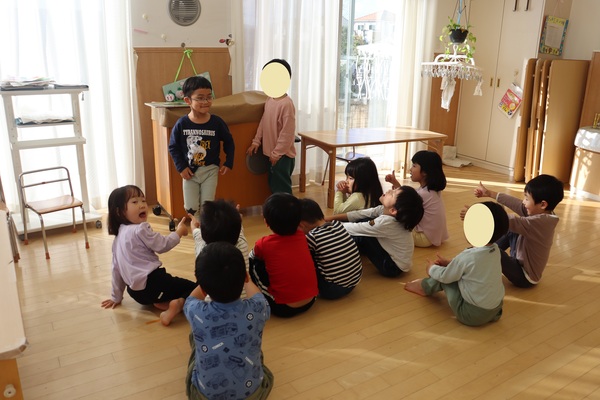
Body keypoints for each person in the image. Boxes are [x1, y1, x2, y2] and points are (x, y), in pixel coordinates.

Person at [184, 242, 274, 400]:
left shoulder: (194, 310)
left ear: (202, 285)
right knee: (257, 353)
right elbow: (257, 295)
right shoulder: (259, 307)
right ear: (245, 277)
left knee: (194, 336)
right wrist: (245, 278)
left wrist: (204, 282)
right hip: (254, 395)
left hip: (204, 396)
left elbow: (191, 298)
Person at [101, 185, 196, 326]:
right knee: (197, 288)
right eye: (134, 202)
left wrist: (116, 297)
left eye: (143, 200)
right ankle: (177, 305)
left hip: (136, 293)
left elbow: (116, 270)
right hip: (154, 284)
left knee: (171, 288)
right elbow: (163, 245)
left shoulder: (118, 238)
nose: (142, 205)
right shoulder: (140, 229)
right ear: (119, 212)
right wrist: (179, 232)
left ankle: (161, 301)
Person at [405, 201, 509, 326]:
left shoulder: (468, 257)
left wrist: (431, 268)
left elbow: (445, 276)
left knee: (447, 279)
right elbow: (477, 268)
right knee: (455, 273)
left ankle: (424, 287)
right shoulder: (496, 250)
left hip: (471, 315)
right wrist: (451, 263)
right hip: (496, 309)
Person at [462, 174, 564, 288]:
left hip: (524, 277)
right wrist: (490, 193)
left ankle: (478, 255)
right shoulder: (543, 212)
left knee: (495, 250)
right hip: (519, 258)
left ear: (543, 204)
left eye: (527, 198)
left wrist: (476, 214)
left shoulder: (539, 224)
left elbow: (509, 220)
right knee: (509, 232)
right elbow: (517, 204)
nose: (524, 202)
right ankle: (480, 252)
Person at [168, 75, 235, 217]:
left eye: (209, 97)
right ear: (188, 100)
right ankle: (196, 227)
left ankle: (205, 229)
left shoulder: (217, 122)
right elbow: (173, 147)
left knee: (207, 207)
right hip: (190, 173)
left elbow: (229, 142)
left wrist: (228, 162)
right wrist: (181, 167)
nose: (206, 101)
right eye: (200, 98)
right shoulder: (182, 124)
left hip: (210, 171)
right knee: (190, 208)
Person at [326, 186, 424, 277]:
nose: (389, 190)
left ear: (393, 210)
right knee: (364, 221)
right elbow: (359, 214)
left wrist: (328, 225)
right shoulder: (385, 210)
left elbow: (357, 228)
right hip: (395, 259)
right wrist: (331, 218)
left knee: (362, 236)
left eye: (392, 194)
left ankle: (337, 251)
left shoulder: (385, 223)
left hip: (392, 267)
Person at [249, 193, 318, 317]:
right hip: (312, 299)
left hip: (284, 308)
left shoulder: (263, 243)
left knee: (253, 262)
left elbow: (253, 256)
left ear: (266, 222)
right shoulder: (303, 236)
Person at [246, 59, 296, 194]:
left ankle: (288, 208)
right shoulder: (270, 100)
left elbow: (287, 133)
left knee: (282, 189)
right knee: (273, 185)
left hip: (282, 156)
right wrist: (256, 141)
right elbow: (264, 121)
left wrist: (277, 153)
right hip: (272, 154)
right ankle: (277, 207)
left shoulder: (286, 104)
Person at [299, 198, 362, 299]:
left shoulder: (312, 237)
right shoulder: (338, 224)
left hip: (332, 290)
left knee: (304, 256)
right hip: (355, 280)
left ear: (302, 225)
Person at [386, 150, 448, 247]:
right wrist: (395, 183)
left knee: (391, 223)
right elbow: (407, 196)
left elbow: (403, 201)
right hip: (433, 235)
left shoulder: (424, 194)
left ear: (425, 172)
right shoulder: (431, 190)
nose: (410, 169)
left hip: (423, 237)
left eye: (414, 166)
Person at [190, 199, 249, 271]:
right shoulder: (241, 244)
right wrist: (236, 218)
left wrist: (194, 226)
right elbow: (239, 232)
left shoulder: (202, 248)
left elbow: (196, 233)